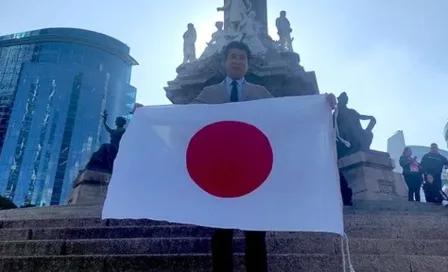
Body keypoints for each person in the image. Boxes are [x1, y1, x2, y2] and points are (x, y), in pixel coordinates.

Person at [192, 41, 337, 272]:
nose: (238, 61)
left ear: (247, 64)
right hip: (221, 173)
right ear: (224, 62)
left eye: (242, 58)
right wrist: (146, 113)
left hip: (253, 173)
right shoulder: (209, 94)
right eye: (234, 57)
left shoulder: (261, 93)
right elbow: (184, 117)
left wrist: (320, 104)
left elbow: (285, 114)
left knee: (256, 235)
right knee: (221, 234)